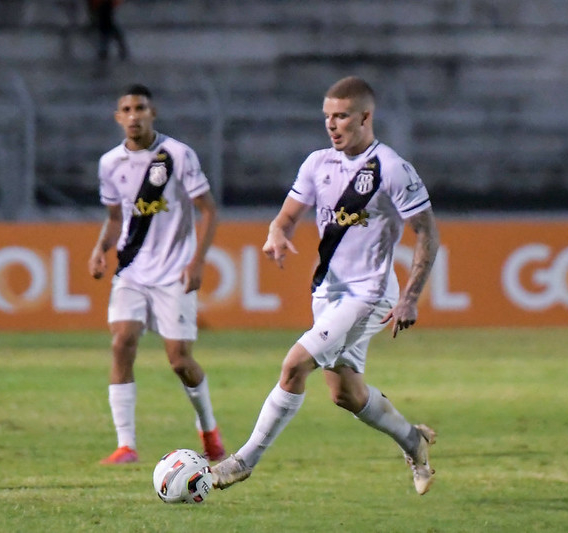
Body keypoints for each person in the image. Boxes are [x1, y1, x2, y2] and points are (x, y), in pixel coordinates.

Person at [212, 76, 440, 495]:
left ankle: (242, 461)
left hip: (369, 294)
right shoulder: (317, 164)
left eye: (341, 116)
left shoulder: (390, 168)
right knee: (346, 394)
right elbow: (285, 217)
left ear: (365, 117)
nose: (332, 125)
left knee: (294, 364)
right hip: (328, 291)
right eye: (327, 117)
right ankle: (414, 440)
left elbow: (427, 233)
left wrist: (410, 298)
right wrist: (277, 233)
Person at [88, 83, 225, 464]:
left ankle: (209, 431)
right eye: (127, 109)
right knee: (121, 343)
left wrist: (197, 262)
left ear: (152, 114)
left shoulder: (178, 155)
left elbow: (209, 210)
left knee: (180, 361)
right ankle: (126, 445)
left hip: (173, 274)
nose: (134, 115)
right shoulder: (109, 163)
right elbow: (116, 217)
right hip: (131, 271)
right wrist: (101, 250)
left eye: (141, 108)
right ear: (118, 118)